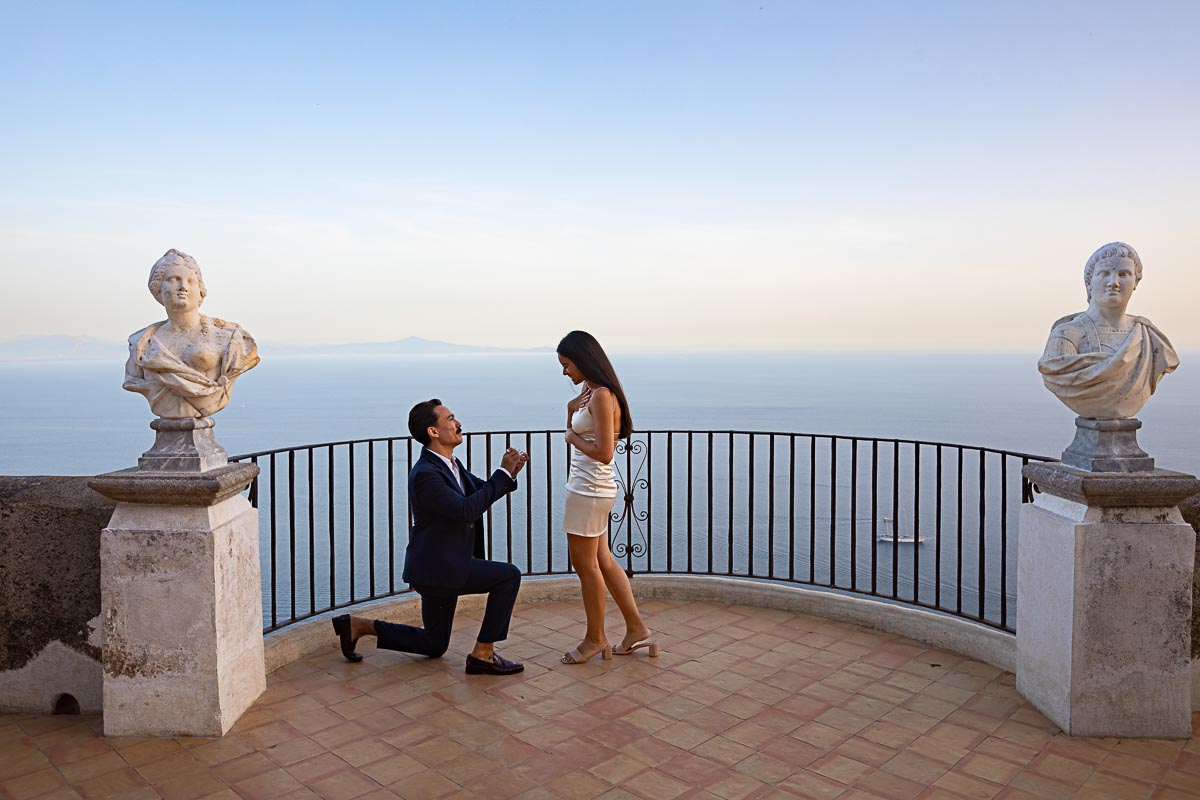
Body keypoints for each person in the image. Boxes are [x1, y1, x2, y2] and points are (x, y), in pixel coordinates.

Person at [332, 399, 530, 675]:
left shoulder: (450, 465)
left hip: (444, 565)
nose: (458, 423)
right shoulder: (426, 474)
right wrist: (502, 474)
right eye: (450, 419)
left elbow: (480, 493)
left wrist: (509, 474)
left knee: (434, 645)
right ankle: (483, 653)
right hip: (439, 569)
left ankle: (359, 626)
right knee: (508, 576)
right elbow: (466, 510)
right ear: (433, 432)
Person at [556, 331, 658, 664]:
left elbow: (604, 453)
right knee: (603, 560)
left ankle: (595, 638)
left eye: (567, 365)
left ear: (584, 360)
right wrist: (573, 410)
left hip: (589, 490)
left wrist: (572, 436)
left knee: (585, 566)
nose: (565, 373)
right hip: (588, 489)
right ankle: (636, 629)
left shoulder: (602, 396)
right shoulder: (590, 394)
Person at [1038, 241, 1178, 419]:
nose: (1114, 282)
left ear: (1136, 281)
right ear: (1089, 283)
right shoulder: (1066, 335)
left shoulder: (1149, 337)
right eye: (1104, 273)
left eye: (1123, 274)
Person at [123, 249, 259, 418]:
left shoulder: (230, 340)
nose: (183, 287)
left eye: (191, 281)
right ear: (158, 288)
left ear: (200, 290)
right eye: (173, 280)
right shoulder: (142, 344)